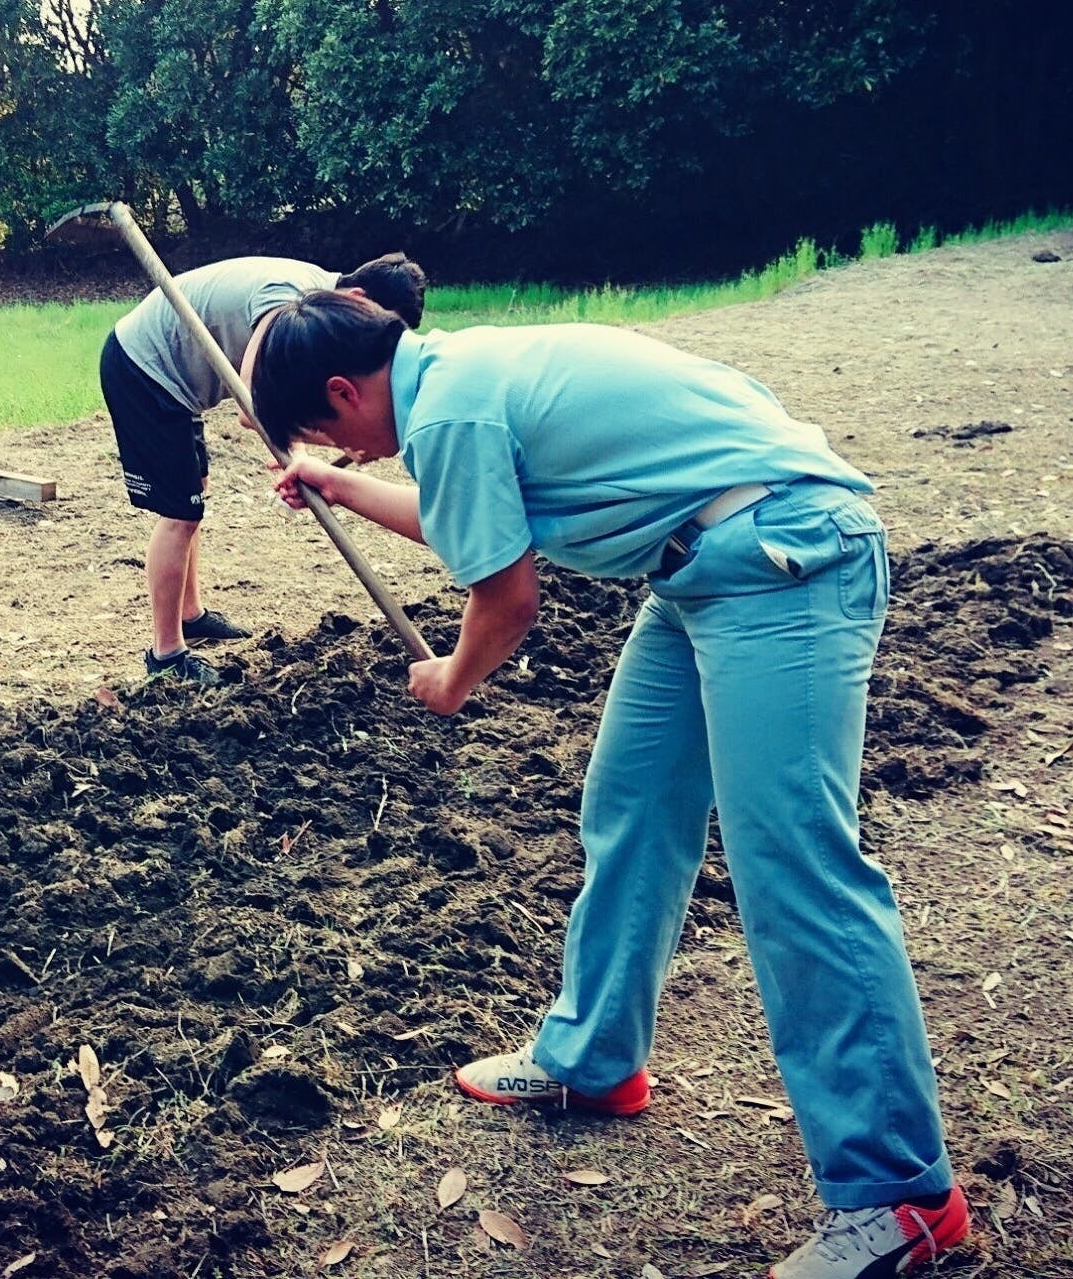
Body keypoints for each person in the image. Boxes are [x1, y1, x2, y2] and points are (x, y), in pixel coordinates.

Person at [244, 289, 967, 1279]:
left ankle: (901, 1196)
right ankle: (594, 1061)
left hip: (784, 560)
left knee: (794, 866)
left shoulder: (449, 409)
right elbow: (473, 522)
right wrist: (337, 484)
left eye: (329, 435)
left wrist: (451, 680)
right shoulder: (457, 379)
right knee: (632, 810)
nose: (348, 451)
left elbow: (505, 596)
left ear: (341, 389)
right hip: (702, 567)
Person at [100, 253, 426, 684]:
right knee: (180, 513)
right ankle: (166, 655)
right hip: (144, 367)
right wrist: (341, 441)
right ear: (359, 299)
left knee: (194, 492)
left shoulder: (319, 307)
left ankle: (190, 614)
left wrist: (312, 450)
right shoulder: (289, 300)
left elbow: (289, 395)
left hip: (179, 383)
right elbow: (252, 405)